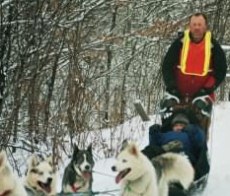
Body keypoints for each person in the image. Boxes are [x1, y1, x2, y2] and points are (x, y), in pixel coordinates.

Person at [161, 13, 227, 118]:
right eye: (194, 24)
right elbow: (167, 66)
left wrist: (206, 90)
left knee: (198, 129)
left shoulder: (214, 47)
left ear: (205, 26)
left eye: (200, 25)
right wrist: (172, 87)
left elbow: (220, 71)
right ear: (189, 26)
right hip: (178, 94)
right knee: (170, 123)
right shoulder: (179, 44)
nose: (197, 27)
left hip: (203, 95)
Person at [142, 113, 210, 180]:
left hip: (184, 154)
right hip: (164, 153)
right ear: (172, 127)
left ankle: (179, 178)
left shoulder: (190, 135)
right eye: (176, 125)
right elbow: (154, 142)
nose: (178, 127)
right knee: (150, 150)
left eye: (181, 125)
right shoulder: (165, 134)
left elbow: (200, 141)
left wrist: (194, 130)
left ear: (186, 126)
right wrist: (153, 132)